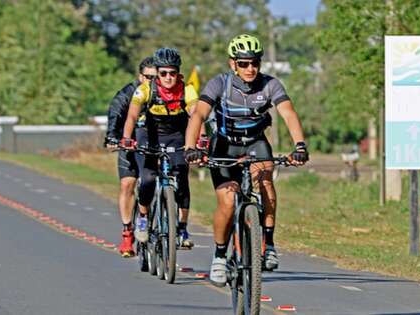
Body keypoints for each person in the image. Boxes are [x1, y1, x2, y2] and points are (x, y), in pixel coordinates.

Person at [183, 34, 309, 287]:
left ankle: (269, 244)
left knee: (266, 184)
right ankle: (219, 255)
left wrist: (300, 146)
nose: (250, 68)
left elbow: (288, 113)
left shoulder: (270, 85)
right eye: (244, 63)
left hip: (255, 142)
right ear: (233, 64)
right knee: (228, 201)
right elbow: (198, 115)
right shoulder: (219, 84)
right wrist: (190, 147)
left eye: (255, 63)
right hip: (224, 145)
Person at [121, 47, 198, 248]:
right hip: (149, 135)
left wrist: (202, 139)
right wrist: (127, 138)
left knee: (181, 176)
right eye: (163, 73)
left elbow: (196, 115)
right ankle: (143, 218)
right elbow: (131, 115)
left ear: (178, 73)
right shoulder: (145, 89)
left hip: (176, 136)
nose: (168, 77)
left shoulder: (187, 89)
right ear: (157, 73)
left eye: (172, 73)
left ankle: (182, 227)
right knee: (147, 179)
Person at [105, 56, 156, 257]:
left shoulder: (163, 94)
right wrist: (112, 136)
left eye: (155, 77)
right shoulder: (127, 94)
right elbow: (115, 114)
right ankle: (127, 232)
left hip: (152, 144)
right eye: (148, 77)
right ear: (140, 75)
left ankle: (163, 219)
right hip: (130, 143)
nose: (152, 81)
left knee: (153, 181)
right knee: (128, 184)